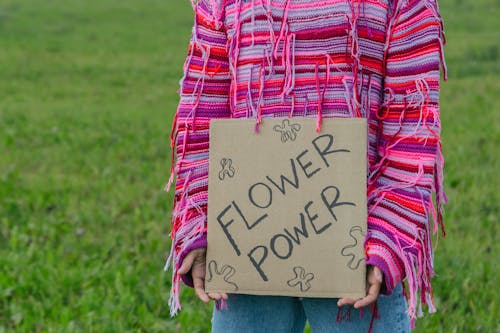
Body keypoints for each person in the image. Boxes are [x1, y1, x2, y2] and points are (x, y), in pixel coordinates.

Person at [164, 0, 448, 331]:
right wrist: (198, 224)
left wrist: (390, 236)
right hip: (246, 243)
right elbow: (200, 114)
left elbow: (412, 122)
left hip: (358, 250)